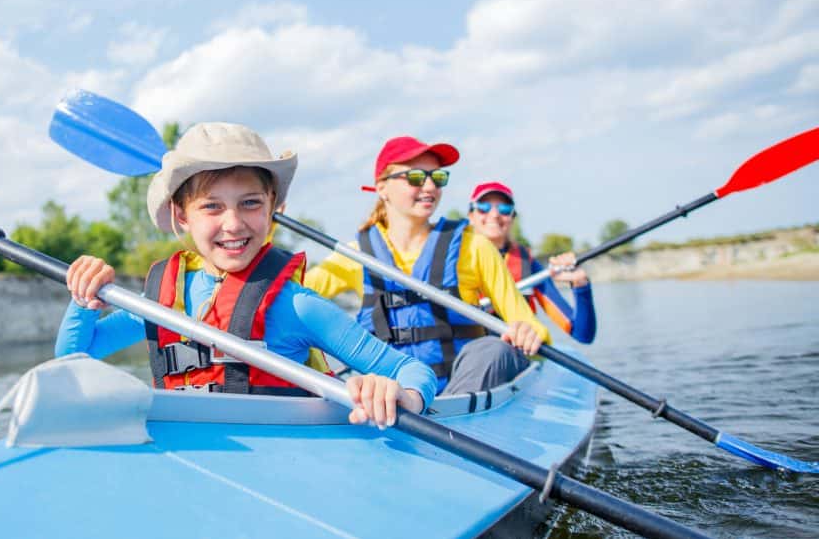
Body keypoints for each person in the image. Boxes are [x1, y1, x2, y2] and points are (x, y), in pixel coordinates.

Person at [57, 122, 438, 428]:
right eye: (212, 207)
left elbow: (412, 370)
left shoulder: (296, 305)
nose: (233, 224)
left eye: (250, 203)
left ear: (274, 207)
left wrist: (400, 395)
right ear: (182, 215)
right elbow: (73, 359)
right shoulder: (162, 302)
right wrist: (84, 297)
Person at [304, 136, 549, 395]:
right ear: (382, 188)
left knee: (492, 349)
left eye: (438, 177)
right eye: (416, 177)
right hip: (389, 398)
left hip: (461, 395)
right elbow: (288, 300)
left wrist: (527, 332)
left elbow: (524, 320)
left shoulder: (475, 247)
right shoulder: (354, 256)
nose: (430, 186)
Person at [467, 181, 596, 344]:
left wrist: (580, 284)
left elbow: (582, 334)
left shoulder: (528, 265)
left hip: (517, 355)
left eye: (504, 209)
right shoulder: (454, 260)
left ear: (512, 218)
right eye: (484, 207)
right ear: (471, 216)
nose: (494, 215)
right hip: (470, 353)